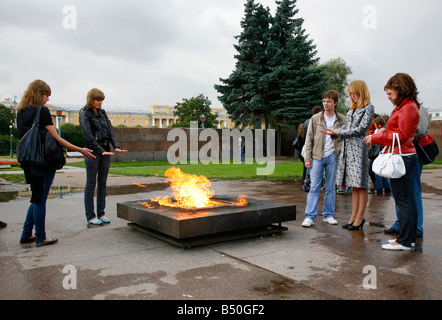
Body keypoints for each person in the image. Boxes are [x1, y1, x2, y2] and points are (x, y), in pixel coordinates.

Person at [17, 80, 95, 246]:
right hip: (43, 161)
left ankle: (26, 233)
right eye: (46, 95)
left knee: (36, 196)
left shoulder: (21, 112)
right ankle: (40, 237)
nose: (47, 99)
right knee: (40, 199)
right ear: (40, 94)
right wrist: (80, 149)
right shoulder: (42, 111)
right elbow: (56, 138)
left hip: (28, 159)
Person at [363, 73, 420, 251]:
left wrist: (376, 137)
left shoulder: (407, 108)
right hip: (404, 155)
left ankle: (404, 240)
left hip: (402, 156)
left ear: (399, 89)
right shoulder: (407, 106)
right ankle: (407, 239)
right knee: (406, 200)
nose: (388, 95)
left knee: (404, 200)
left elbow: (401, 136)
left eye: (390, 92)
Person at [322, 80, 374, 230]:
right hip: (347, 150)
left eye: (354, 93)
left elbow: (360, 129)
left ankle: (360, 217)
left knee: (361, 184)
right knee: (353, 185)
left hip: (359, 150)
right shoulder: (351, 110)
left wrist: (339, 133)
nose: (352, 96)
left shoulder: (368, 108)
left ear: (361, 92)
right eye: (350, 94)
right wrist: (335, 133)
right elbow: (346, 127)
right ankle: (353, 216)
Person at [79, 88, 128, 226]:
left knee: (102, 183)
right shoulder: (84, 113)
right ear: (91, 100)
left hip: (106, 151)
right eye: (97, 100)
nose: (100, 103)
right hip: (93, 151)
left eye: (101, 100)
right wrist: (100, 150)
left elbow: (110, 130)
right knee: (91, 183)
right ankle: (90, 215)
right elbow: (88, 134)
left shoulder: (102, 113)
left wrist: (116, 146)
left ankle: (101, 213)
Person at [384, 102, 430, 238]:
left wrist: (400, 132)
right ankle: (402, 223)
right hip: (400, 153)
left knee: (413, 192)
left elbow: (419, 131)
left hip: (412, 153)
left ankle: (416, 227)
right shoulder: (401, 108)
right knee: (400, 192)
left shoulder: (417, 108)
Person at [301, 91, 345, 227]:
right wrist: (307, 158)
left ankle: (328, 215)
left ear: (335, 103)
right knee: (314, 187)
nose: (326, 104)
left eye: (329, 101)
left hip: (333, 155)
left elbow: (345, 136)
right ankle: (310, 216)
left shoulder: (342, 119)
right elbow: (309, 139)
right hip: (317, 156)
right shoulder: (315, 118)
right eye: (324, 101)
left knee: (331, 187)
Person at [368, 116, 391, 195]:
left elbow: (376, 138)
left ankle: (379, 189)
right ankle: (387, 188)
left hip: (379, 152)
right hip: (376, 152)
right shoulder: (376, 129)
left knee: (376, 171)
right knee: (377, 171)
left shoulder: (382, 129)